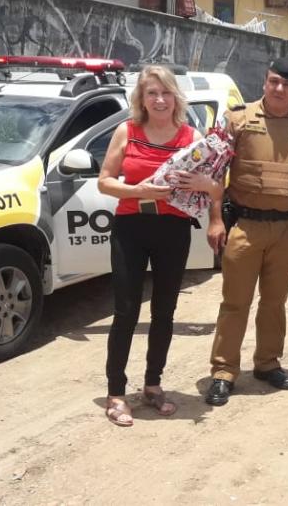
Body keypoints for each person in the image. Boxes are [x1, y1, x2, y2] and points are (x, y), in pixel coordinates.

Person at [205, 58, 288, 406]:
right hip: (244, 226)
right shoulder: (238, 119)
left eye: (287, 85)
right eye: (274, 82)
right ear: (265, 82)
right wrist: (215, 219)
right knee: (235, 303)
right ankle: (223, 371)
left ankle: (267, 363)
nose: (279, 89)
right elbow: (215, 171)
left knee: (275, 303)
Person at [99, 65, 216, 426]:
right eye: (152, 93)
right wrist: (138, 191)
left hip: (172, 228)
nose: (160, 99)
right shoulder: (127, 131)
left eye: (165, 92)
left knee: (164, 312)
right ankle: (116, 392)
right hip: (131, 227)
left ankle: (153, 385)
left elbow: (213, 188)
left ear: (175, 97)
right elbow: (105, 182)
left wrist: (201, 182)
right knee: (126, 311)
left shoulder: (190, 136)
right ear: (142, 98)